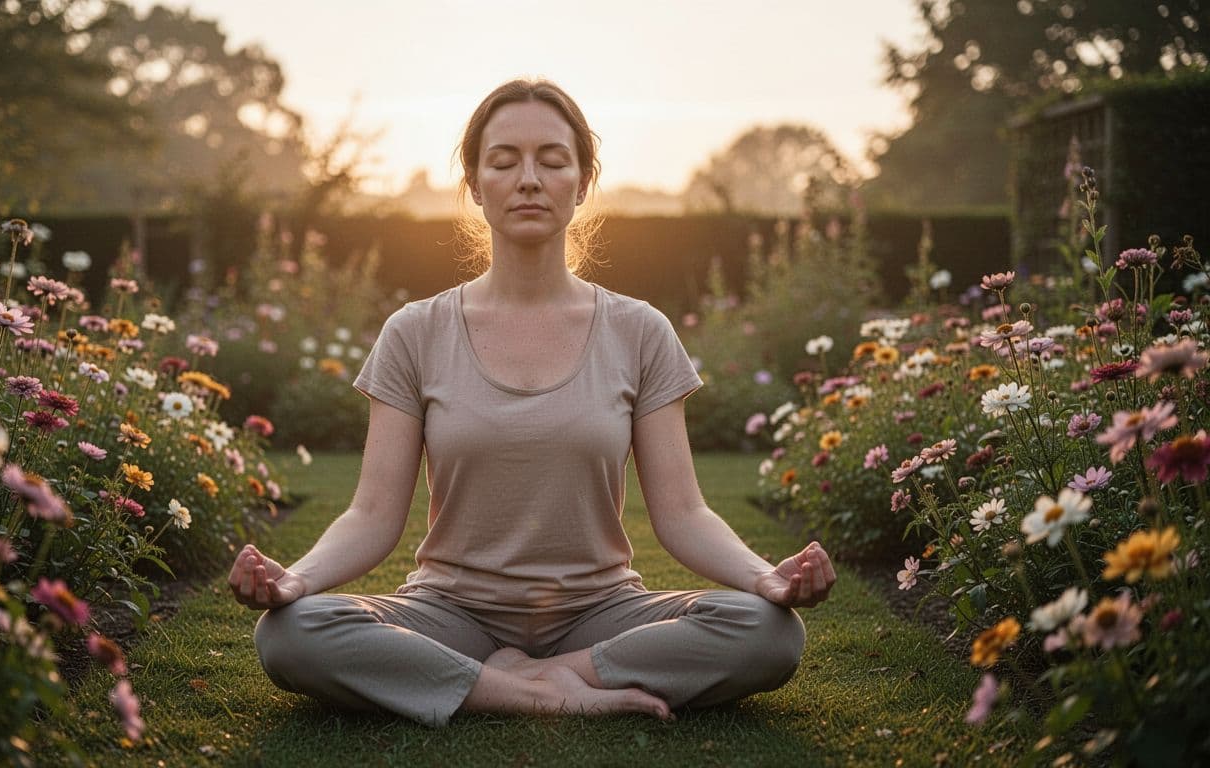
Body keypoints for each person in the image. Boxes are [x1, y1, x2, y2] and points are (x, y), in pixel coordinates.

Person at [230, 78, 835, 728]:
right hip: (450, 614)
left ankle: (533, 677)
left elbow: (683, 513)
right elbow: (374, 515)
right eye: (503, 160)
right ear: (475, 183)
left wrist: (764, 579)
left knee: (771, 632)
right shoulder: (415, 332)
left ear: (581, 183)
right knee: (289, 633)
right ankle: (536, 693)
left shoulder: (639, 331)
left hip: (599, 613)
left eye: (551, 160)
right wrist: (296, 579)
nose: (527, 179)